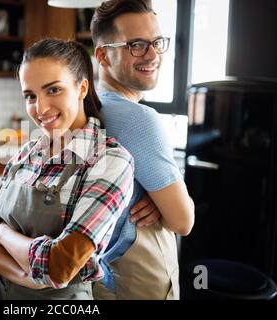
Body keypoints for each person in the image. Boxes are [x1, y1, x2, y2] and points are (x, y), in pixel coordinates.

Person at [0, 38, 135, 299]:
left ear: (82, 88)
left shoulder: (110, 161)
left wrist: (2, 233)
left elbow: (58, 267)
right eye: (30, 96)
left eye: (53, 90)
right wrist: (26, 277)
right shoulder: (26, 154)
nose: (40, 109)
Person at [90, 0, 195, 299]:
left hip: (104, 276)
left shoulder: (89, 105)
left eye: (157, 42)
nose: (152, 55)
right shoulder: (139, 120)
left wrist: (148, 193)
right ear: (102, 55)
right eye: (136, 44)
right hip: (140, 281)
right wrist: (169, 201)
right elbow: (183, 221)